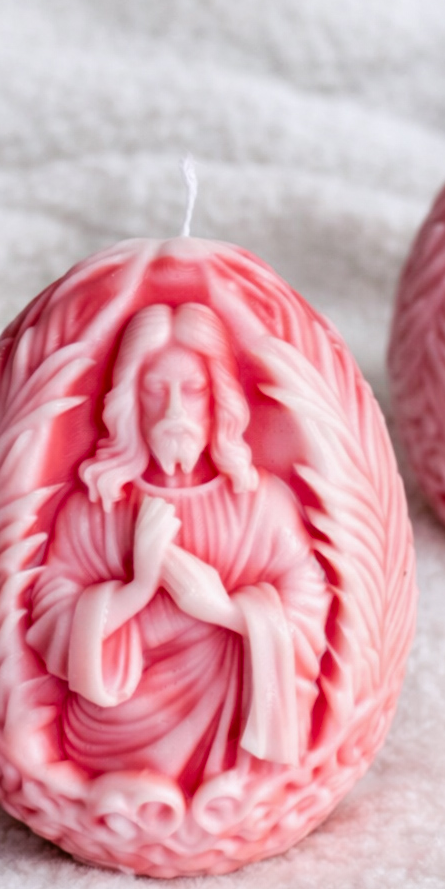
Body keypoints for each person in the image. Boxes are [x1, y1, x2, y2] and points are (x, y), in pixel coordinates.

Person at [26, 302, 330, 793]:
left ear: (218, 399)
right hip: (123, 714)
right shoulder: (97, 507)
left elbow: (309, 603)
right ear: (130, 401)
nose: (174, 413)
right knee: (101, 734)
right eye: (155, 391)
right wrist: (137, 589)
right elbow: (51, 612)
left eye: (192, 391)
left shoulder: (260, 502)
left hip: (232, 705)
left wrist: (223, 610)